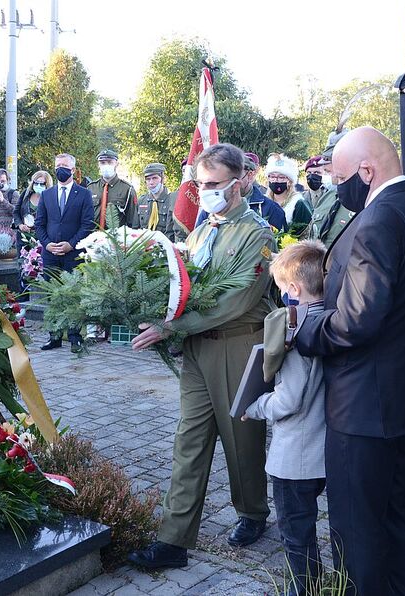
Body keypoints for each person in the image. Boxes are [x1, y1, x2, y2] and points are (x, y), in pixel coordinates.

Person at [296, 127, 405, 594]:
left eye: (343, 176)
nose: (338, 186)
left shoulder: (377, 220)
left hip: (363, 407)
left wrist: (303, 326)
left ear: (367, 171)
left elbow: (354, 323)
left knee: (359, 529)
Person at [128, 143, 274, 569]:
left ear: (239, 181)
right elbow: (181, 285)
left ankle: (252, 512)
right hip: (197, 349)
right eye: (199, 183)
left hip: (237, 344)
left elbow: (238, 298)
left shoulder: (257, 235)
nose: (205, 191)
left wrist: (171, 327)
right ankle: (173, 540)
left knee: (241, 439)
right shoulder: (200, 232)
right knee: (189, 441)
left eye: (213, 184)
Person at [244, 240, 327, 596]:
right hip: (327, 449)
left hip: (296, 455)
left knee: (296, 533)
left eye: (281, 289)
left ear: (293, 288)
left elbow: (288, 399)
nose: (281, 296)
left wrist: (255, 406)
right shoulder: (332, 318)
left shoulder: (296, 330)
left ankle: (304, 590)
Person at [35, 153, 95, 354]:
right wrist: (47, 244)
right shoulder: (46, 195)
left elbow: (87, 225)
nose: (61, 169)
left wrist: (71, 244)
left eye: (65, 166)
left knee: (74, 295)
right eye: (57, 165)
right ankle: (54, 336)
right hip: (51, 253)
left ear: (73, 170)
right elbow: (39, 224)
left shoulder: (84, 194)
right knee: (52, 295)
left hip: (73, 253)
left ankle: (75, 337)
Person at [303, 154, 353, 245]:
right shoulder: (327, 197)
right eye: (309, 173)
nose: (312, 176)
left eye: (317, 173)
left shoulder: (364, 201)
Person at [87, 149, 138, 229]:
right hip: (93, 236)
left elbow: (133, 220)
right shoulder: (91, 188)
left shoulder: (127, 189)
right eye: (102, 163)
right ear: (98, 165)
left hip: (117, 237)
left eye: (110, 162)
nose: (106, 165)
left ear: (117, 164)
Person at [265, 154, 312, 234]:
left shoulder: (298, 203)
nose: (276, 180)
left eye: (281, 177)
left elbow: (303, 233)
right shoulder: (263, 201)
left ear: (289, 181)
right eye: (272, 176)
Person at [137, 163, 179, 240]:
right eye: (148, 179)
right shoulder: (142, 201)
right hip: (144, 247)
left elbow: (176, 231)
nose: (151, 182)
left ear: (163, 179)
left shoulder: (173, 200)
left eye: (155, 178)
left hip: (166, 246)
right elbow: (135, 227)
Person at [14, 170, 52, 240]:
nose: (38, 186)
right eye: (36, 183)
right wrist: (20, 225)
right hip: (23, 237)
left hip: (42, 239)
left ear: (47, 184)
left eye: (42, 184)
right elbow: (16, 212)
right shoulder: (26, 194)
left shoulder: (51, 198)